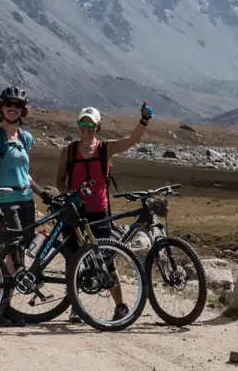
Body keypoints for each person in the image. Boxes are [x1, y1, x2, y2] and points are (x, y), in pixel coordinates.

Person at [56, 100, 153, 322]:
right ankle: (75, 306)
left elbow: (131, 140)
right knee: (73, 260)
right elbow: (59, 180)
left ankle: (120, 306)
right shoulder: (68, 152)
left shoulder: (105, 149)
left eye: (91, 124)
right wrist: (69, 195)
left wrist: (144, 121)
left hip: (99, 213)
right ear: (78, 125)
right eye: (83, 123)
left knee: (106, 260)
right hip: (74, 214)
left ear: (98, 126)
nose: (86, 128)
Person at [0, 86, 53, 326]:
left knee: (18, 255)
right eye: (8, 105)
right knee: (10, 252)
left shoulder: (25, 138)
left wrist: (43, 194)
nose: (12, 108)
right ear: (1, 107)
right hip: (5, 201)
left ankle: (4, 307)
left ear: (23, 110)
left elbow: (24, 174)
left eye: (17, 106)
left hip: (26, 200)